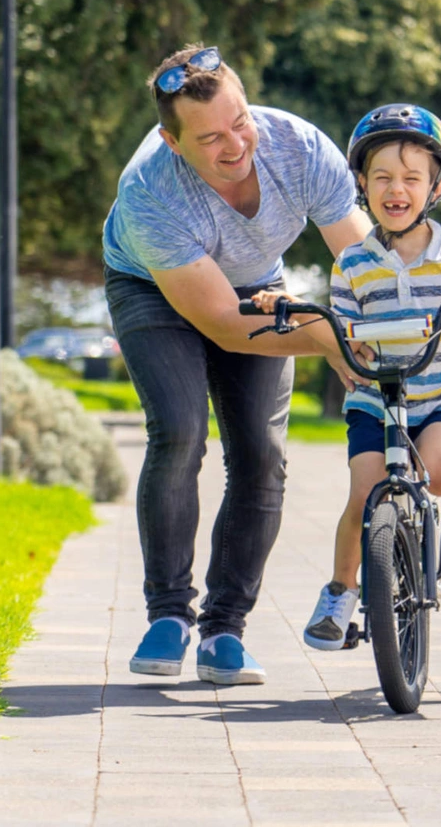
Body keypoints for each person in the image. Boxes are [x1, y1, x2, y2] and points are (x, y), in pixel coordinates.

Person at [102, 44, 371, 683]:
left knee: (261, 456)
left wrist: (401, 326)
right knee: (180, 432)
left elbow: (365, 264)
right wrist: (328, 340)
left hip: (257, 283)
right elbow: (223, 324)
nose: (236, 145)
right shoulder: (149, 192)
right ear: (172, 142)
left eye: (241, 121)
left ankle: (224, 629)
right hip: (153, 288)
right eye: (210, 138)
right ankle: (169, 615)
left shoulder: (299, 148)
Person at [250, 104, 441, 651]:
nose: (395, 188)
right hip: (374, 401)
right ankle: (340, 591)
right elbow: (342, 333)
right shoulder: (352, 263)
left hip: (438, 397)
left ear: (437, 185)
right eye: (381, 177)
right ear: (362, 184)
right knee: (363, 493)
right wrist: (289, 305)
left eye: (411, 177)